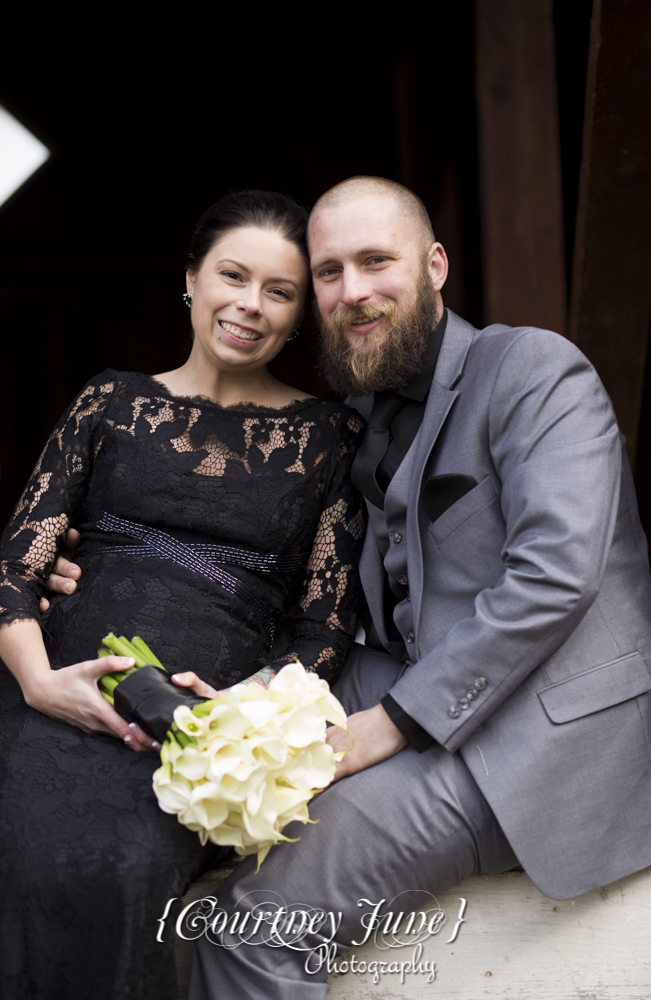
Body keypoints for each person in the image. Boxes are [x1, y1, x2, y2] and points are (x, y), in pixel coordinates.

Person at [166, 176, 649, 1000]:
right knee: (212, 719)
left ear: (433, 266)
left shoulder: (532, 367)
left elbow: (556, 573)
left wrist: (389, 724)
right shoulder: (357, 411)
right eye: (328, 272)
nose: (352, 292)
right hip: (425, 677)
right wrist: (106, 554)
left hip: (541, 730)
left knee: (248, 936)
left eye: (375, 262)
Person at [0, 190, 365, 1000]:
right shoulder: (109, 402)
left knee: (124, 869)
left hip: (202, 728)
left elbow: (324, 624)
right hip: (49, 691)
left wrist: (240, 711)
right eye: (233, 275)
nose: (249, 306)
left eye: (279, 291)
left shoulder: (329, 439)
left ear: (300, 315)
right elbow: (16, 567)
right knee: (20, 852)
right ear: (191, 278)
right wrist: (38, 683)